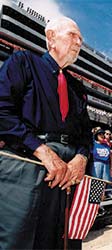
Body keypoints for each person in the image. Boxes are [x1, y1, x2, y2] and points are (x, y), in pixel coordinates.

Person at [0, 16, 92, 250]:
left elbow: (85, 134)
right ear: (51, 38)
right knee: (18, 239)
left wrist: (80, 159)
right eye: (73, 35)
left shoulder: (77, 88)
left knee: (63, 242)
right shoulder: (23, 62)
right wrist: (43, 152)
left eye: (80, 38)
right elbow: (2, 110)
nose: (79, 42)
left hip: (68, 173)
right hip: (27, 162)